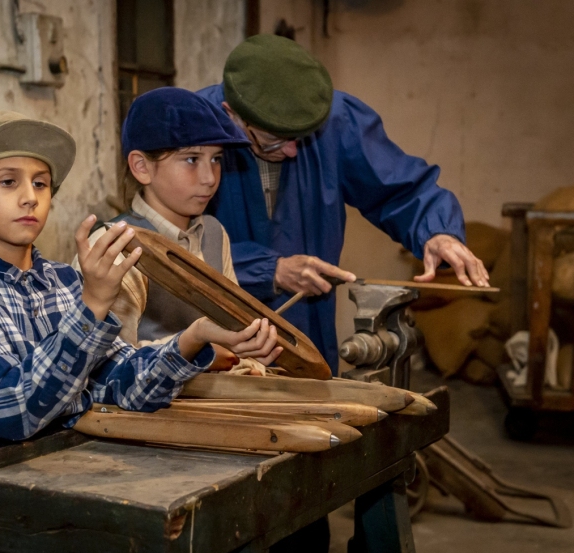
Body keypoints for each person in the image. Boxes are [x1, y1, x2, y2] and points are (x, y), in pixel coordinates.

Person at [0, 110, 281, 477]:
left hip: (64, 481)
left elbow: (125, 386)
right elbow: (12, 412)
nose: (29, 198)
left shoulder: (64, 281)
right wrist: (93, 304)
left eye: (40, 183)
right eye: (8, 182)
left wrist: (194, 337)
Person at [198, 34, 490, 375]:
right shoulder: (192, 129)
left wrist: (436, 230)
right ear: (231, 115)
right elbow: (174, 242)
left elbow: (399, 189)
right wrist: (270, 269)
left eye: (300, 138)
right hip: (217, 333)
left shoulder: (335, 121)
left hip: (306, 327)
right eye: (275, 139)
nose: (292, 151)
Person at [80, 87, 280, 374]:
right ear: (141, 167)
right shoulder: (115, 244)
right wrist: (200, 351)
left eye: (216, 159)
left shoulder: (212, 233)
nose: (209, 178)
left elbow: (233, 327)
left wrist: (247, 357)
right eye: (191, 159)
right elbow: (105, 363)